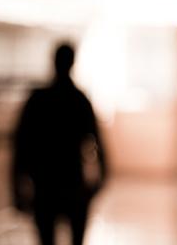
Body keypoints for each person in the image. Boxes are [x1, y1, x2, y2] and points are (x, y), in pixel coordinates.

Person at [12, 42, 108, 245]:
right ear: (72, 63)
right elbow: (98, 141)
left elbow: (21, 145)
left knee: (46, 239)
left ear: (53, 62)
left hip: (45, 184)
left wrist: (16, 185)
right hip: (73, 182)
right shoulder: (80, 100)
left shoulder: (38, 100)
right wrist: (102, 176)